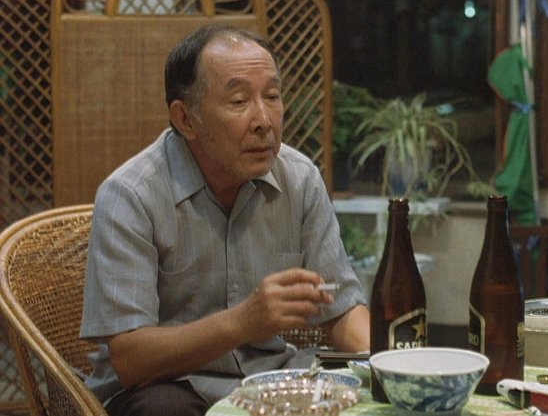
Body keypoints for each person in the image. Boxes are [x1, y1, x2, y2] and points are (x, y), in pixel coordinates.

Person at [79, 24, 370, 416]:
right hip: (168, 387)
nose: (264, 120)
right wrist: (242, 322)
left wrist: (393, 369)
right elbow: (131, 360)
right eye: (239, 101)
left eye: (272, 96)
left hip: (271, 381)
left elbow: (343, 311)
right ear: (186, 119)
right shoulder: (130, 196)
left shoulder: (299, 180)